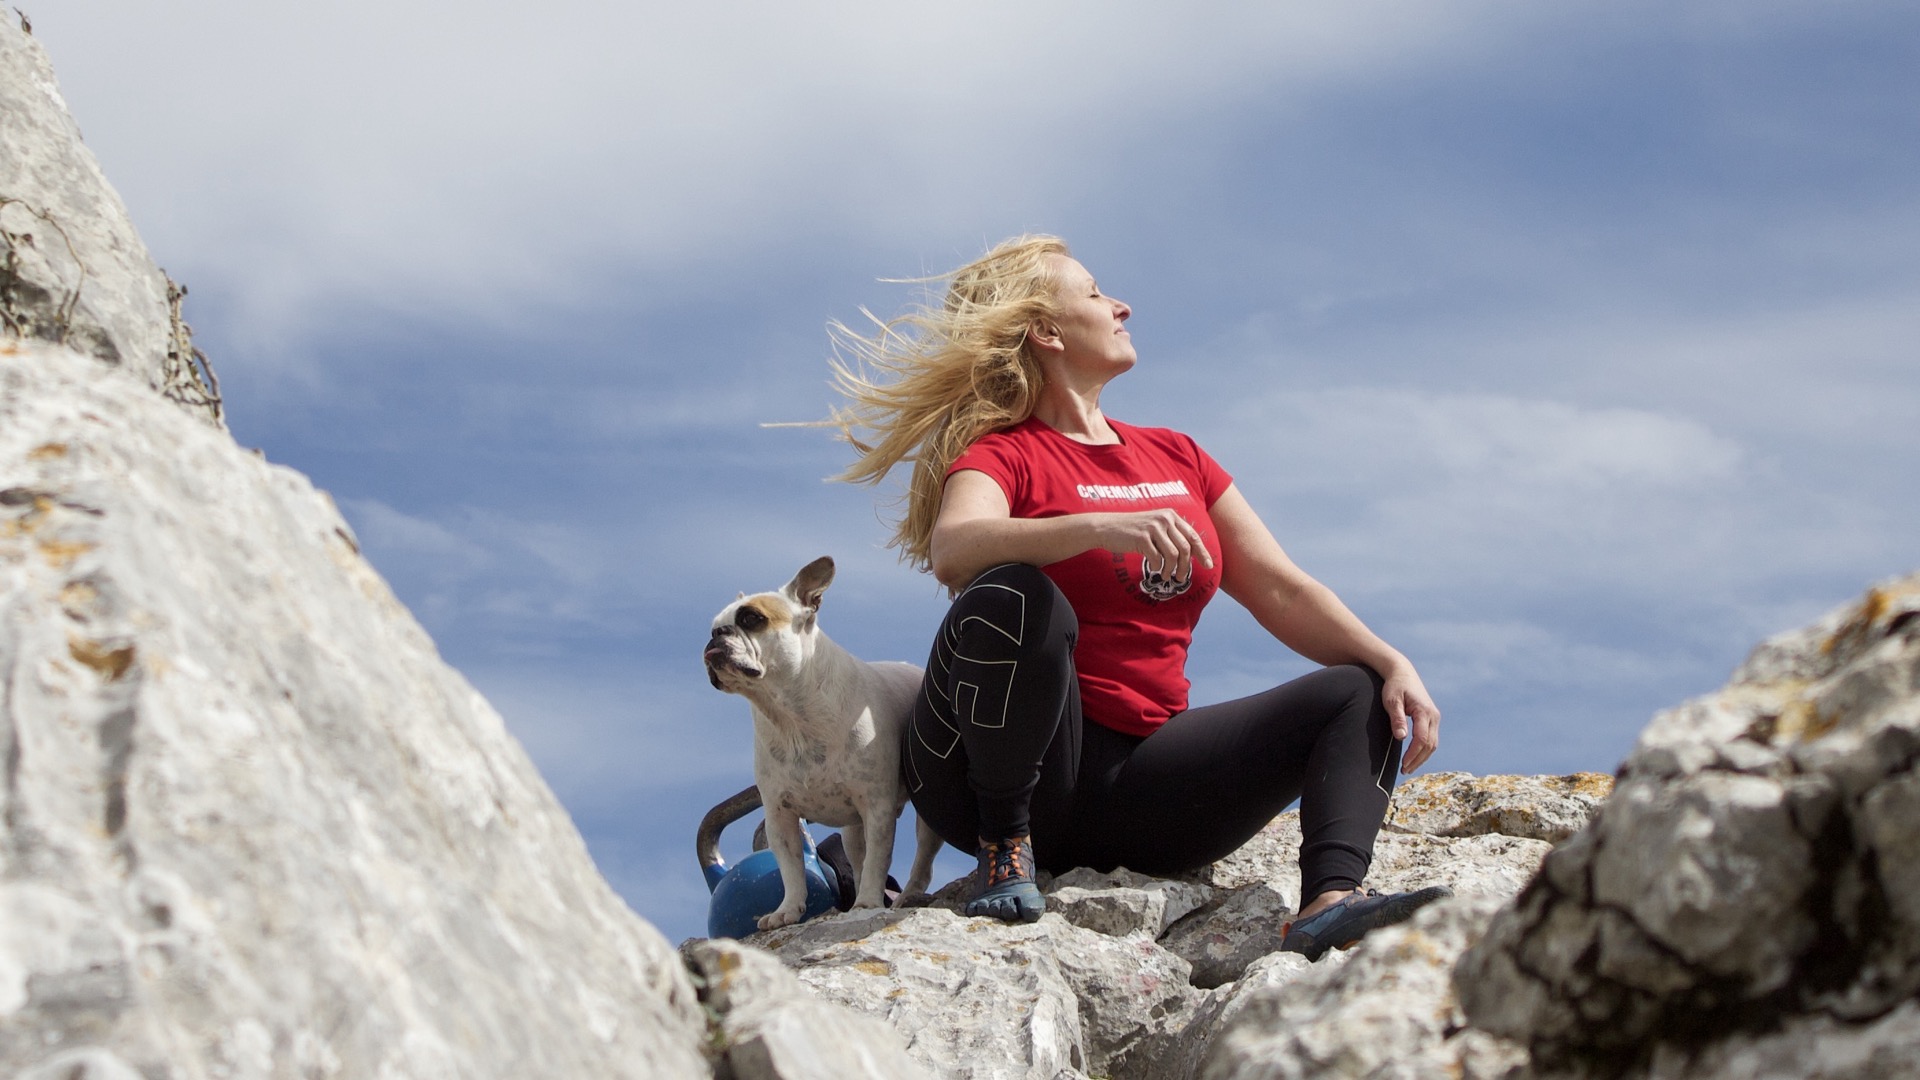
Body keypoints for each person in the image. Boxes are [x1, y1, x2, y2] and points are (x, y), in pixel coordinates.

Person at [822, 235, 1447, 959]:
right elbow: (953, 550)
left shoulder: (1176, 455)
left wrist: (1393, 661)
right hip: (1000, 776)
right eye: (1094, 294)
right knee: (1016, 593)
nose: (1121, 306)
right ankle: (1005, 848)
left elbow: (1280, 587)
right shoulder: (1004, 454)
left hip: (1147, 787)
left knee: (1359, 688)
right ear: (1048, 333)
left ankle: (1329, 903)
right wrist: (1095, 528)